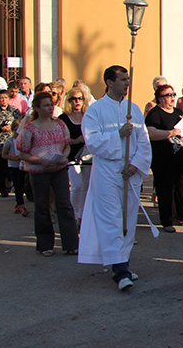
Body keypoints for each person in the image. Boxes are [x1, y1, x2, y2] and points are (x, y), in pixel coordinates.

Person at [78, 65, 153, 291]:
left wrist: (135, 164)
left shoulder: (135, 109)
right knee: (112, 219)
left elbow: (143, 141)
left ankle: (124, 263)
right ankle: (119, 271)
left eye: (128, 79)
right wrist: (117, 135)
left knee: (128, 220)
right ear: (109, 82)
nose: (127, 83)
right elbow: (92, 141)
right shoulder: (95, 110)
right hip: (108, 172)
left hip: (130, 171)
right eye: (122, 79)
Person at [17, 92, 77, 256]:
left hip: (59, 169)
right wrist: (40, 160)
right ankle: (45, 244)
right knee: (42, 206)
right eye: (45, 105)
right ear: (37, 108)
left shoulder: (60, 125)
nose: (50, 108)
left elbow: (67, 145)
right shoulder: (30, 129)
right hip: (39, 172)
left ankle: (71, 243)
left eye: (51, 104)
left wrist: (63, 156)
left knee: (64, 204)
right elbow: (23, 153)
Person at [145, 84, 183, 232]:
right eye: (168, 95)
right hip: (163, 158)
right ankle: (167, 220)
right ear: (160, 99)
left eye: (173, 94)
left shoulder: (178, 112)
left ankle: (180, 214)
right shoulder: (155, 113)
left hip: (181, 155)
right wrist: (170, 133)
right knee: (165, 189)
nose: (172, 98)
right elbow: (151, 133)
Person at [60, 87, 92, 228]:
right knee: (76, 186)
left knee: (85, 186)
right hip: (71, 155)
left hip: (87, 155)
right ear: (69, 101)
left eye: (80, 99)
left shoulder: (88, 116)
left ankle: (82, 216)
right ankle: (72, 215)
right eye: (74, 99)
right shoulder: (63, 119)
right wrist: (75, 140)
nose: (77, 102)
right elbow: (60, 139)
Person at [2, 119, 28, 216]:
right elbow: (4, 155)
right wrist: (14, 158)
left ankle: (18, 204)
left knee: (23, 184)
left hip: (23, 165)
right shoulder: (9, 141)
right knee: (18, 186)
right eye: (17, 129)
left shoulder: (24, 140)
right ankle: (21, 205)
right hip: (13, 166)